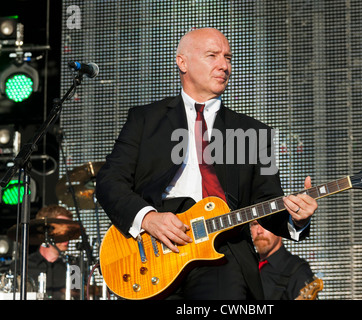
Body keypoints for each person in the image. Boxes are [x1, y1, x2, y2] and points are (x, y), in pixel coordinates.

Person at [96, 27, 318, 300]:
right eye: (212, 55)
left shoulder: (256, 133)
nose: (224, 65)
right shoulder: (145, 119)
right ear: (183, 62)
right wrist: (148, 219)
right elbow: (109, 182)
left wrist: (296, 218)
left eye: (228, 57)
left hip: (223, 251)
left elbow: (268, 201)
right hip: (153, 251)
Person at [250, 220, 315, 300]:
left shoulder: (298, 270)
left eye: (265, 224)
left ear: (279, 229)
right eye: (254, 224)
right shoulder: (243, 265)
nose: (259, 231)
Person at [27, 204, 76, 300]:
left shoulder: (75, 267)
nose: (66, 235)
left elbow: (79, 294)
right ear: (45, 231)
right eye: (61, 228)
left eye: (68, 230)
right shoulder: (23, 266)